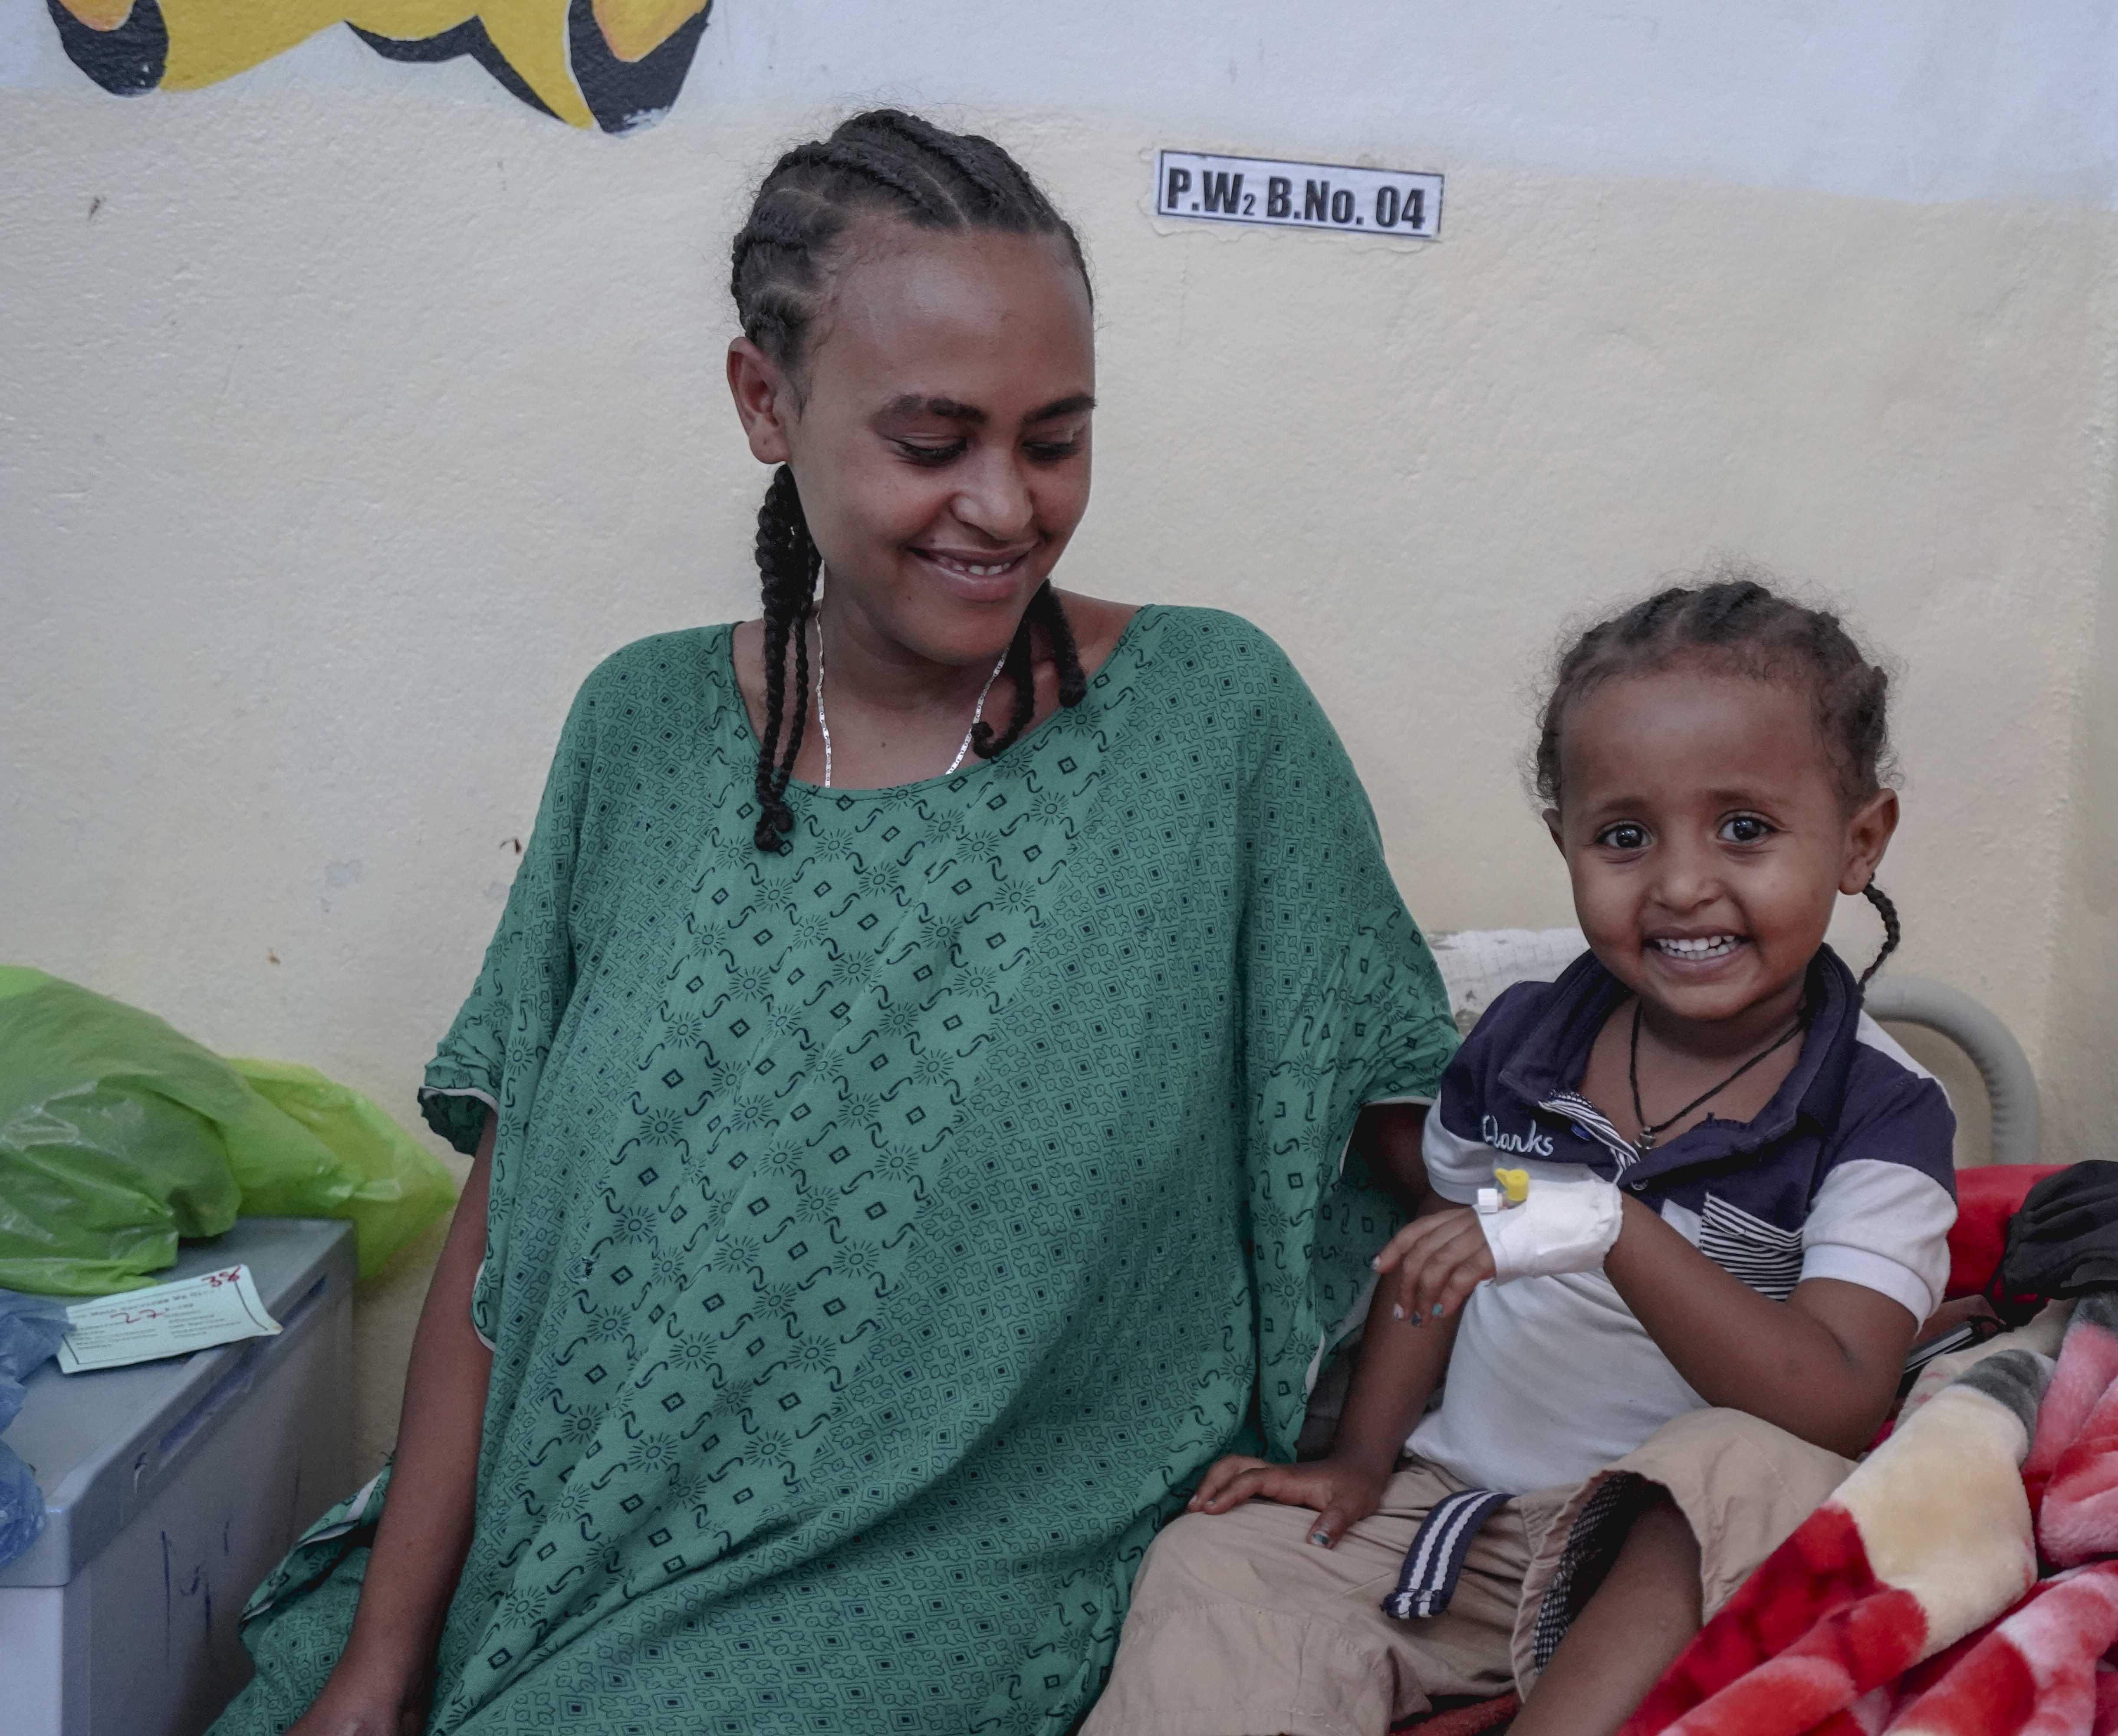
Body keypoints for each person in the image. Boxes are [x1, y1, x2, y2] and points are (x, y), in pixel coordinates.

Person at [213, 109, 1455, 1736]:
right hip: (553, 1544)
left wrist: (1671, 1236)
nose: (1003, 506)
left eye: (1056, 441)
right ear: (765, 400)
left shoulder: (1214, 724)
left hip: (943, 1580)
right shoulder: (642, 731)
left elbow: (1437, 1151)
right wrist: (381, 1661)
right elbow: (506, 1237)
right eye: (933, 442)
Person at [1088, 575, 1958, 1736]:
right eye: (1625, 837)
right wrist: (1362, 1462)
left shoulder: (1883, 1111)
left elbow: (1838, 1401)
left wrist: (1609, 1227)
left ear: (1859, 840)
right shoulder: (1524, 1044)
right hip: (1459, 1515)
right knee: (1218, 1565)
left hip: (1659, 1551)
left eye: (1746, 829)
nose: (1682, 884)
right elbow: (1436, 1253)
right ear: (1567, 842)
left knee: (1755, 1468)